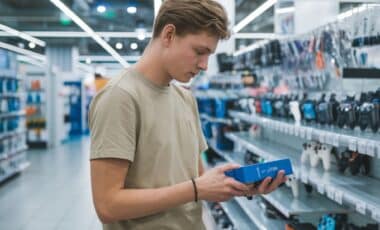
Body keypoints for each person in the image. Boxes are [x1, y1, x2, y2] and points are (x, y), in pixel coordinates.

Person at [89, 0, 287, 229]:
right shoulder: (120, 97)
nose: (204, 65)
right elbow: (107, 205)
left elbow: (196, 181)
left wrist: (237, 184)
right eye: (199, 52)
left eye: (209, 55)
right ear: (169, 35)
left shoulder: (185, 99)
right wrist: (196, 188)